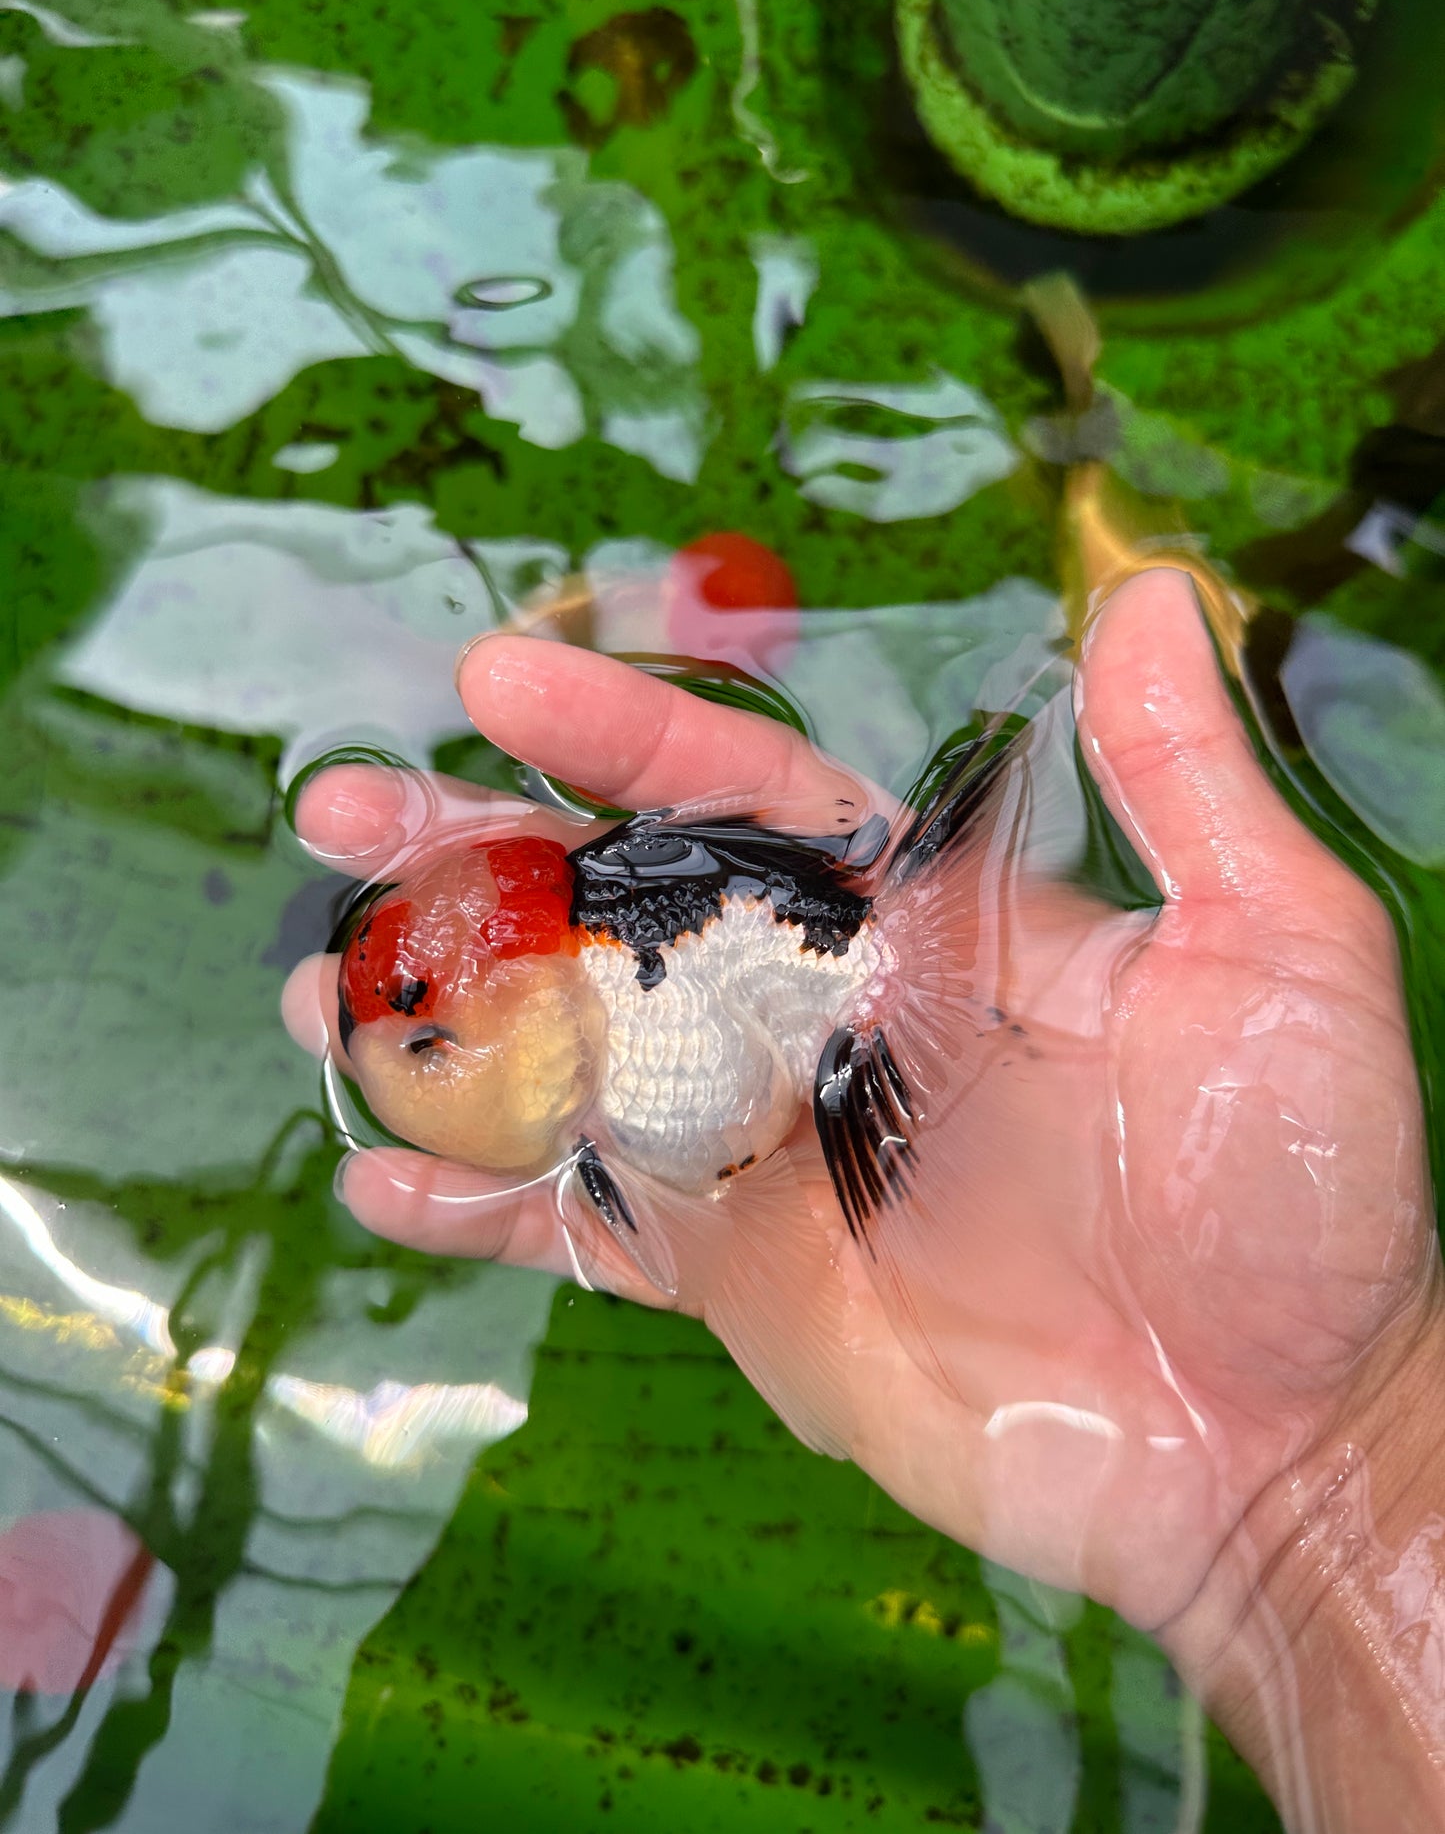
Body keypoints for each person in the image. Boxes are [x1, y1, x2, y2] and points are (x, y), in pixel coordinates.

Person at [284, 568, 1445, 1831]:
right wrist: (1336, 1466)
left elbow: (740, 1210)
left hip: (793, 989)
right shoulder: (607, 1097)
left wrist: (1343, 1448)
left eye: (428, 1052)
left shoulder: (640, 1030)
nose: (407, 1077)